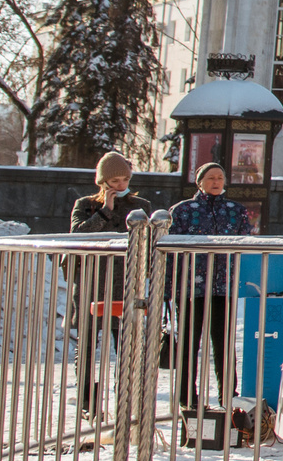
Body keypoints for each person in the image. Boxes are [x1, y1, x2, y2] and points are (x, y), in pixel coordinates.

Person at [165, 161, 252, 413]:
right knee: (189, 343)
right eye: (211, 177)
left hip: (223, 287)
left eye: (220, 178)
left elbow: (246, 244)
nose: (216, 182)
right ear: (199, 181)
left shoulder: (236, 211)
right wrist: (167, 288)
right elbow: (170, 251)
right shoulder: (182, 210)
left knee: (224, 343)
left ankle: (228, 397)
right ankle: (187, 398)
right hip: (190, 287)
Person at [66, 152, 147, 413]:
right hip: (91, 280)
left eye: (124, 179)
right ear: (102, 181)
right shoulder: (85, 204)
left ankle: (124, 401)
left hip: (123, 280)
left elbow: (144, 241)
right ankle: (87, 403)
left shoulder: (139, 205)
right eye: (114, 180)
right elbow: (77, 235)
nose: (120, 186)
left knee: (125, 344)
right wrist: (105, 211)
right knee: (88, 343)